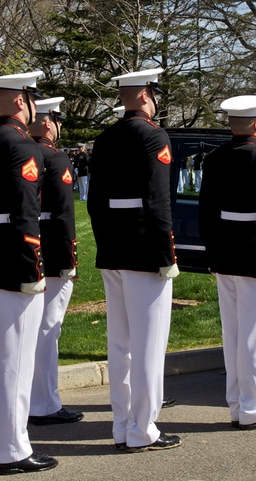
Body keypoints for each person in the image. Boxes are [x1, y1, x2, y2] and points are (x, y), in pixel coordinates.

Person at [0, 70, 57, 475]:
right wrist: (32, 265)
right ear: (22, 100)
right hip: (12, 263)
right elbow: (26, 213)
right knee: (15, 364)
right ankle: (12, 450)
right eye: (34, 100)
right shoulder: (22, 145)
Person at [88, 67, 181, 453]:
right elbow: (157, 201)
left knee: (121, 343)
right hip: (145, 250)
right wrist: (165, 253)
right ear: (145, 95)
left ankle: (123, 425)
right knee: (147, 345)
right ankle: (143, 430)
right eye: (155, 93)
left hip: (114, 249)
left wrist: (107, 243)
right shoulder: (153, 135)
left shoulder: (105, 137)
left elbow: (94, 202)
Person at [198, 94, 256, 430]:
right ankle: (254, 408)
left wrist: (213, 252)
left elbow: (205, 210)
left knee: (235, 333)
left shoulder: (215, 158)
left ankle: (238, 404)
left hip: (226, 254)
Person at [27, 97, 84, 427]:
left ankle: (35, 397)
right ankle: (44, 403)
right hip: (50, 252)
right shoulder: (55, 157)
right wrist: (67, 260)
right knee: (48, 329)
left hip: (24, 247)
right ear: (48, 123)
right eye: (57, 120)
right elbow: (63, 214)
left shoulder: (18, 152)